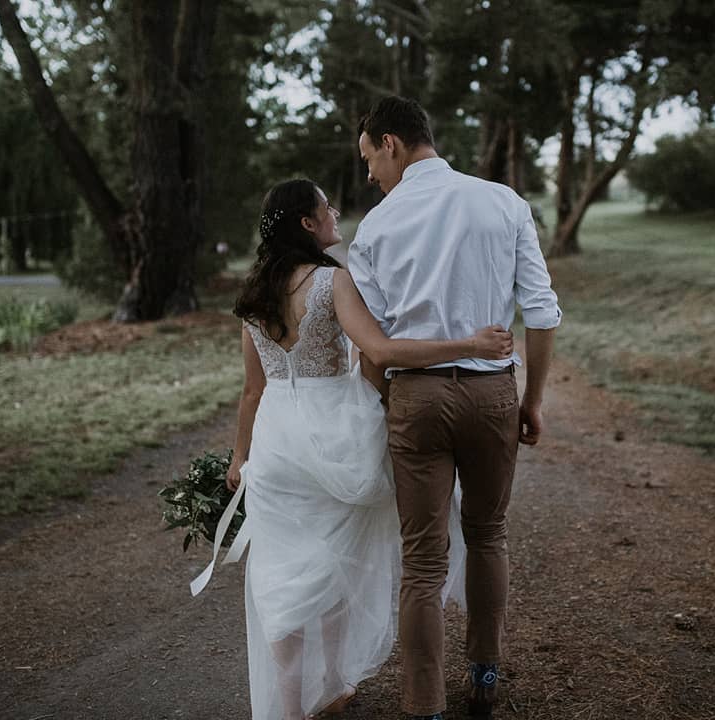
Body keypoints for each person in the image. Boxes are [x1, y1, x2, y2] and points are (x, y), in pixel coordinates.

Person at [218, 178, 514, 720]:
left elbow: (253, 390)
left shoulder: (254, 293)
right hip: (332, 433)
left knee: (284, 570)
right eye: (325, 206)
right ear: (308, 225)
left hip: (277, 440)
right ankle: (330, 686)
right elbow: (379, 349)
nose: (334, 213)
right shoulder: (332, 283)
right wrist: (471, 345)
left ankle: (291, 703)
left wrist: (240, 458)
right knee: (337, 559)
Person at [349, 96, 562, 720]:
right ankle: (485, 677)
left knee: (422, 560)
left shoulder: (378, 228)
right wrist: (531, 401)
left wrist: (398, 400)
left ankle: (425, 704)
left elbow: (373, 349)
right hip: (493, 392)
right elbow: (542, 313)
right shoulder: (503, 202)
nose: (369, 175)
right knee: (488, 534)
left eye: (368, 159)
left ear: (391, 143)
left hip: (416, 395)